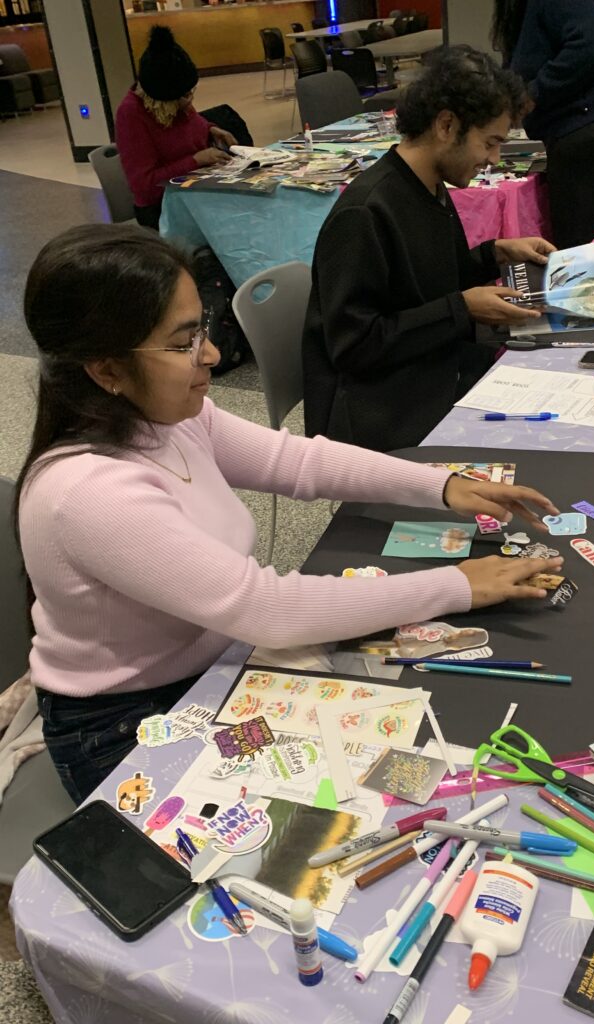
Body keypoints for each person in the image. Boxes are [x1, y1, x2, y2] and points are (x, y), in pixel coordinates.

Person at [16, 224, 563, 804]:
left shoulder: (165, 415)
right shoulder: (91, 490)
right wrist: (457, 584)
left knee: (365, 757)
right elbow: (266, 609)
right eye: (182, 344)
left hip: (214, 665)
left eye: (201, 328)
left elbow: (295, 461)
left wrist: (443, 486)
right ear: (106, 371)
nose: (213, 354)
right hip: (130, 722)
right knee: (332, 802)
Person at [302, 45, 555, 454]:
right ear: (446, 125)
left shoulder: (429, 186)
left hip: (427, 368)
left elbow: (433, 278)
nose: (493, 159)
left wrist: (496, 253)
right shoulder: (366, 212)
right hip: (378, 409)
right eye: (489, 143)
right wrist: (463, 308)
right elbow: (354, 345)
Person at [492, 0, 594, 248]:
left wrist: (533, 94)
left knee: (585, 248)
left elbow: (592, 44)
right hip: (584, 121)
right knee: (589, 242)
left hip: (591, 123)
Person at [115, 26, 235, 230]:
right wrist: (196, 160)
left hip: (193, 190)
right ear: (167, 98)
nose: (191, 100)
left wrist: (211, 129)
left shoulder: (174, 103)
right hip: (161, 207)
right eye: (186, 96)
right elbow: (145, 187)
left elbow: (191, 127)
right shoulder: (131, 115)